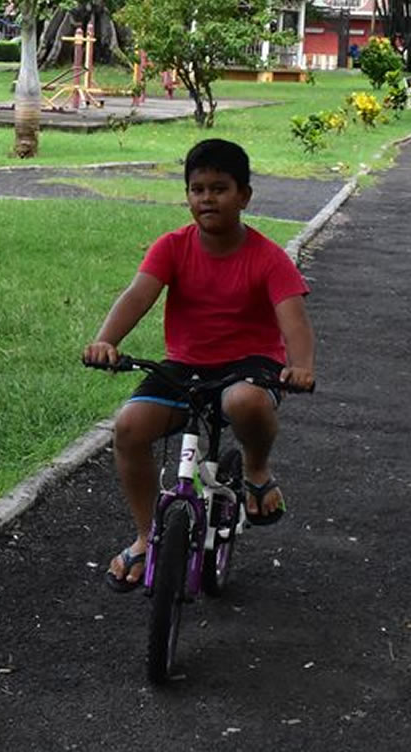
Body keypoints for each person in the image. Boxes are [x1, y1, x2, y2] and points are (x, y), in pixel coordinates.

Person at [83, 138, 317, 592]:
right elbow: (137, 296)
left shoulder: (268, 258)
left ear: (244, 196)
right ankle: (147, 535)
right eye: (197, 189)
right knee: (129, 427)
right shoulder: (172, 247)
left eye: (220, 188)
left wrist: (301, 366)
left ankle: (255, 470)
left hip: (249, 365)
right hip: (186, 366)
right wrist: (105, 342)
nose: (207, 199)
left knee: (245, 401)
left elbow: (295, 321)